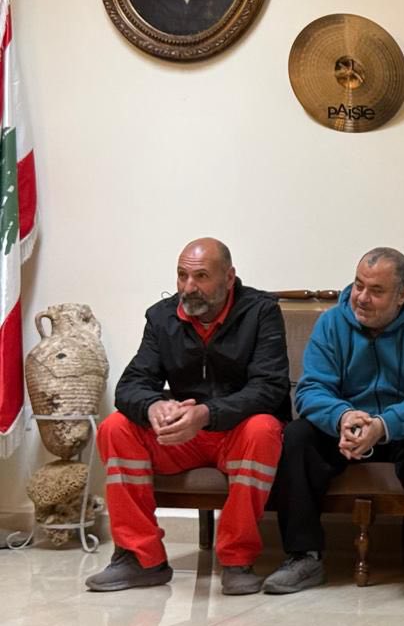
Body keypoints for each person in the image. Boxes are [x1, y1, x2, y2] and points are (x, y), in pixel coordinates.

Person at [86, 238, 290, 596]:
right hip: (183, 437)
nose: (188, 287)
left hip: (237, 433)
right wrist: (153, 406)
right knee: (116, 427)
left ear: (229, 278)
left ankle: (237, 559)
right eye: (182, 275)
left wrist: (207, 414)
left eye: (201, 277)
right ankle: (140, 558)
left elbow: (270, 388)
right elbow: (131, 384)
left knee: (264, 428)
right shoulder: (161, 316)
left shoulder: (261, 311)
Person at [263, 247, 404, 599]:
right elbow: (311, 389)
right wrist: (343, 417)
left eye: (376, 291)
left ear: (402, 295)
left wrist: (383, 425)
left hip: (403, 428)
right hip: (347, 427)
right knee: (298, 436)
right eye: (358, 285)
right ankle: (303, 556)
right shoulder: (332, 322)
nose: (361, 298)